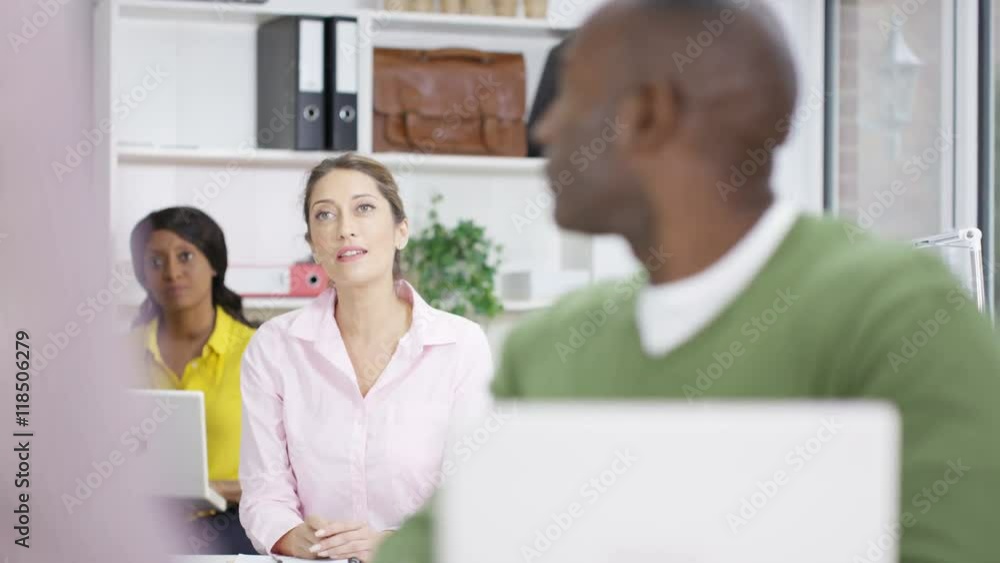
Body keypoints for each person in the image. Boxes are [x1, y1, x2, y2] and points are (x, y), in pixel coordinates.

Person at [373, 1, 1000, 563]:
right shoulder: (549, 347)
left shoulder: (901, 318)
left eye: (568, 98)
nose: (544, 129)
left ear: (649, 115)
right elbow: (437, 546)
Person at [239, 153, 494, 561]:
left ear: (401, 231)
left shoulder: (461, 345)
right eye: (325, 215)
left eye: (364, 208)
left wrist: (392, 544)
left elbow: (473, 490)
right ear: (313, 245)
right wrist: (291, 535)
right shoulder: (274, 347)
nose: (345, 229)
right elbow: (263, 490)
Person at [129, 206, 257, 554]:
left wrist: (219, 489)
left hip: (231, 520)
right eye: (155, 261)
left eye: (185, 256)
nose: (171, 272)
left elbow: (297, 472)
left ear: (214, 264)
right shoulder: (117, 355)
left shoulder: (260, 352)